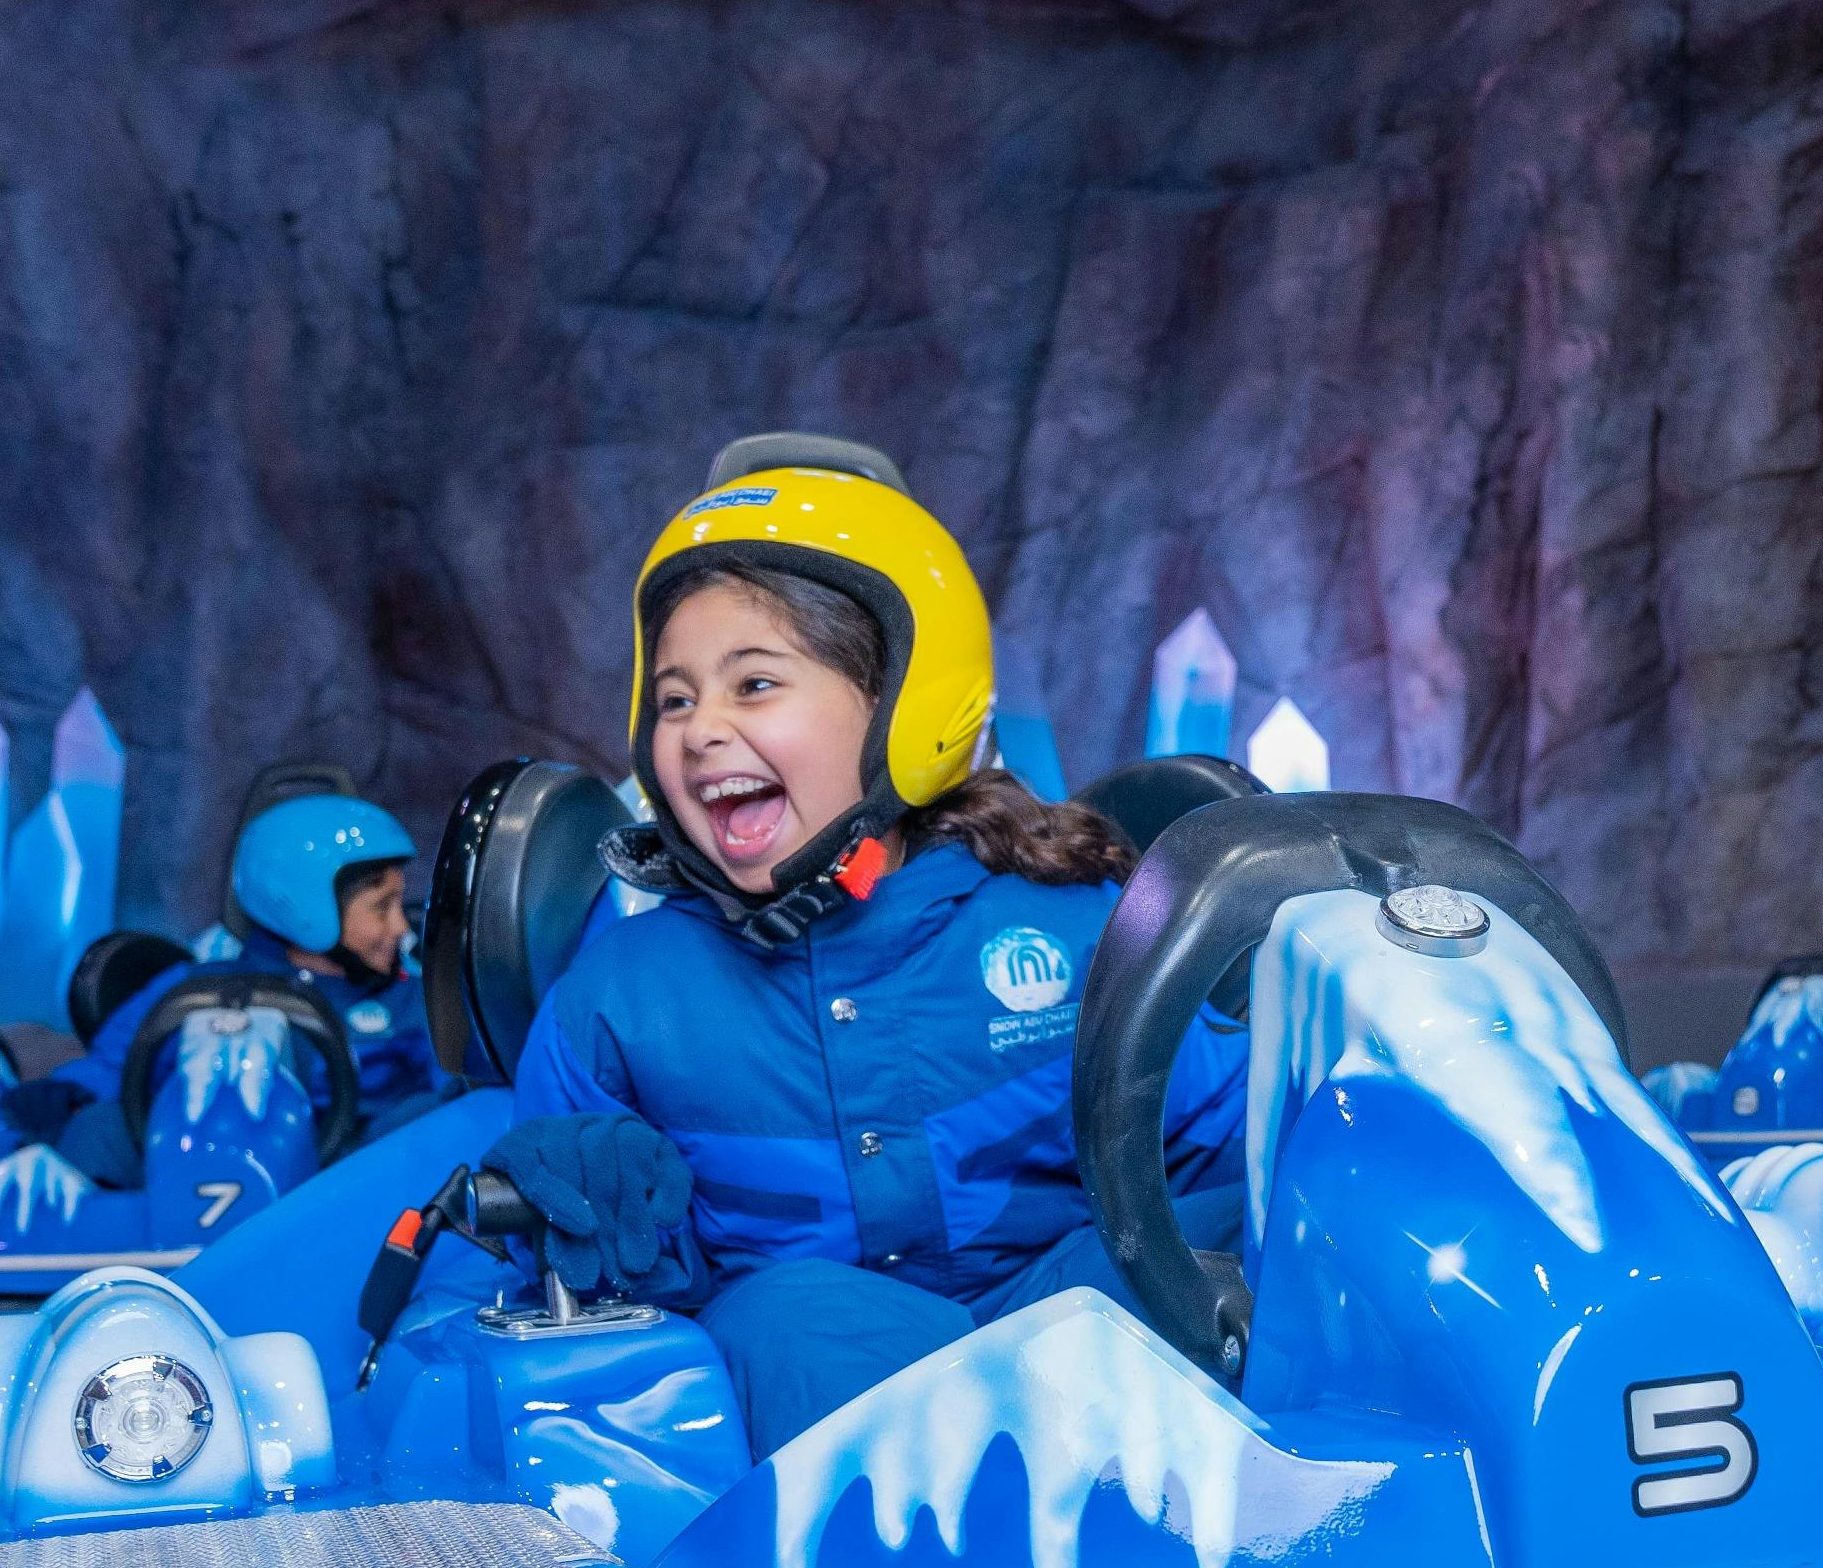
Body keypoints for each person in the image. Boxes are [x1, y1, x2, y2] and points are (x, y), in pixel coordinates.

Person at [453, 439, 1249, 1459]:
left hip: (1074, 1336)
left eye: (753, 684)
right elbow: (543, 1311)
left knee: (1247, 1237)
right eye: (675, 698)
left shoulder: (1074, 925)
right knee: (805, 1323)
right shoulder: (622, 1000)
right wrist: (617, 1246)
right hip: (814, 1409)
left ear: (903, 706)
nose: (700, 731)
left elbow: (1221, 1149)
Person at [9, 785, 449, 1177]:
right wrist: (63, 1098)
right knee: (96, 1129)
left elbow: (450, 1084)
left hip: (348, 1196)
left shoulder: (411, 1001)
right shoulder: (197, 991)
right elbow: (109, 1068)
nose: (400, 928)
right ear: (303, 902)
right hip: (205, 1185)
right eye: (381, 906)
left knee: (428, 1118)